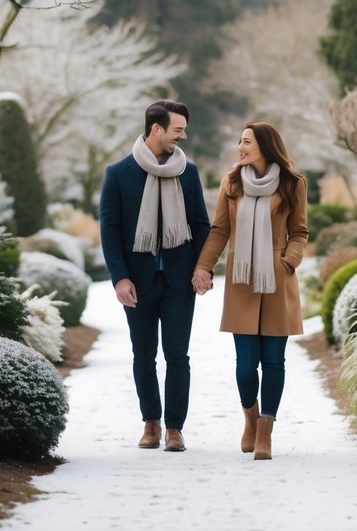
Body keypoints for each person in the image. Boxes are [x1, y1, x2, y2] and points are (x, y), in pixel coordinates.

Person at [99, 100, 211, 452]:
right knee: (143, 355)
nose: (183, 136)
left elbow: (201, 224)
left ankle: (175, 428)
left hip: (179, 281)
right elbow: (110, 228)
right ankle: (151, 421)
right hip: (138, 281)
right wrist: (120, 277)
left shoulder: (188, 172)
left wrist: (202, 267)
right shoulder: (118, 173)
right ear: (156, 129)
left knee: (178, 355)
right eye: (178, 130)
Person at [192, 122, 307, 461]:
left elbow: (299, 232)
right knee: (245, 365)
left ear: (266, 147)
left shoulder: (292, 184)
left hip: (277, 280)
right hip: (241, 280)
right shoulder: (231, 183)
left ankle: (266, 430)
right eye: (240, 141)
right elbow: (219, 231)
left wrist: (287, 262)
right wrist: (203, 266)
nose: (240, 148)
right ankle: (250, 418)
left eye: (246, 142)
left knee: (274, 362)